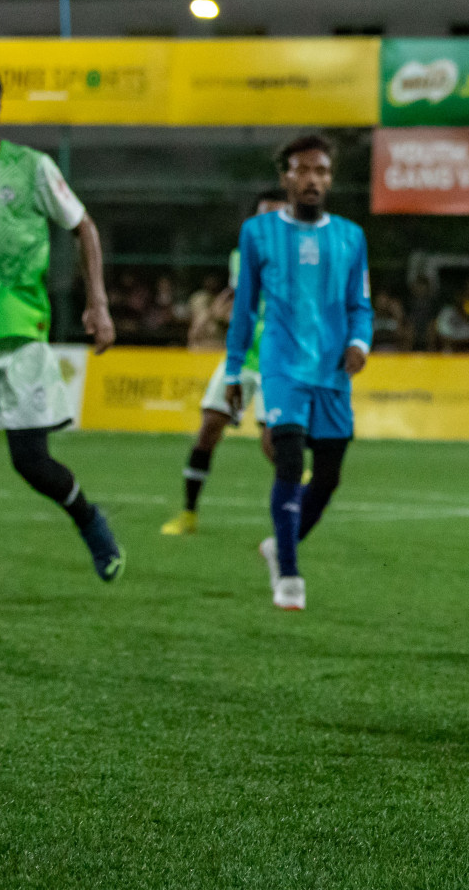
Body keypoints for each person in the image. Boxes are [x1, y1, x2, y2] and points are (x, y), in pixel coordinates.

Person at [225, 135, 372, 611]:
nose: (314, 179)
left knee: (328, 478)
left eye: (323, 171)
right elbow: (244, 309)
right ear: (285, 177)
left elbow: (361, 305)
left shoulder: (351, 237)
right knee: (289, 461)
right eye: (304, 170)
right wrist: (233, 371)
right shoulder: (258, 233)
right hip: (283, 367)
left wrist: (358, 342)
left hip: (331, 372)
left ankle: (278, 545)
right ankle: (288, 573)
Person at [0, 74, 124, 580]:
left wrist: (98, 300)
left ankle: (90, 521)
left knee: (31, 463)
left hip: (20, 335)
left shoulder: (31, 169)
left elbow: (83, 226)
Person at [160, 191, 285, 536]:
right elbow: (238, 300)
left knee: (272, 441)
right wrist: (215, 316)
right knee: (208, 430)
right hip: (241, 357)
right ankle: (188, 514)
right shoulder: (241, 255)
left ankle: (294, 506)